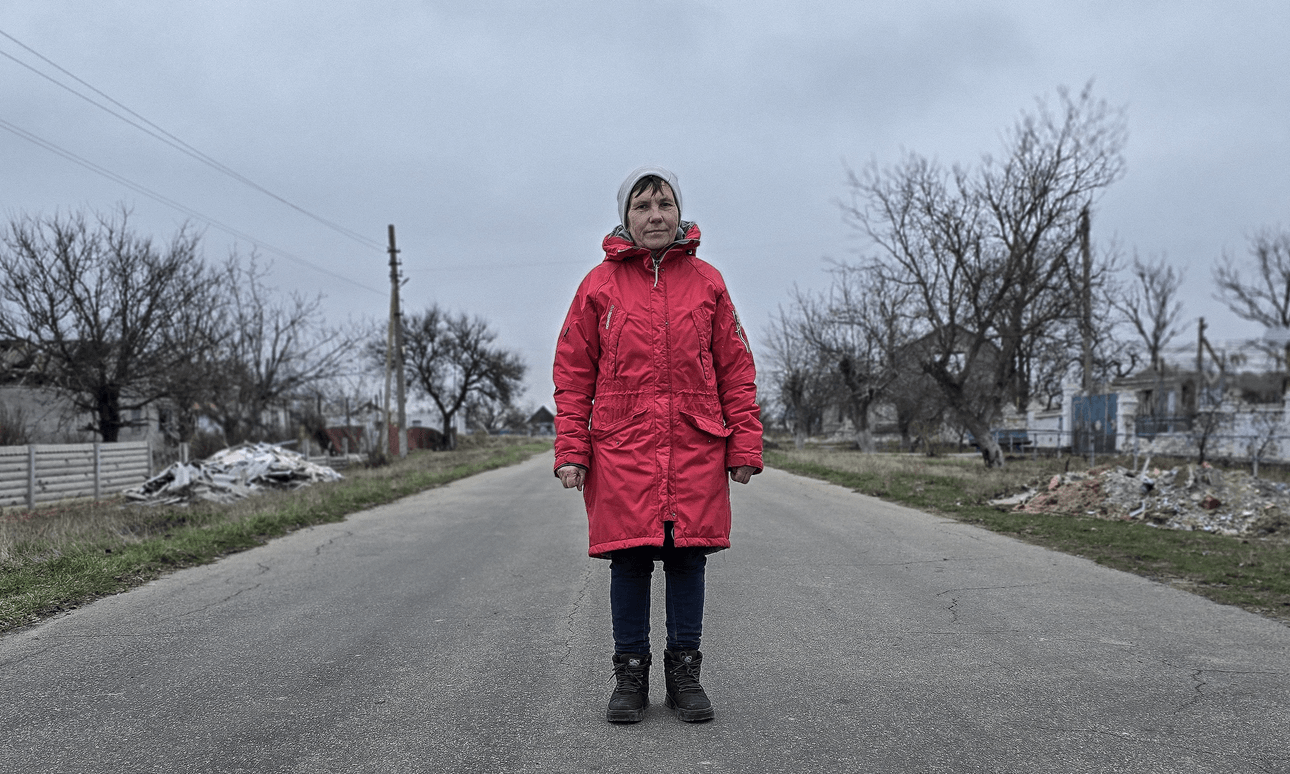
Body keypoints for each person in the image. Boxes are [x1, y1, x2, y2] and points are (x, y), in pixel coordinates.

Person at [553, 166, 762, 724]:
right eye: (642, 206)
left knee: (687, 557)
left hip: (695, 442)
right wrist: (571, 450)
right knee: (629, 558)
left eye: (664, 204)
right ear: (626, 217)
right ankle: (630, 675)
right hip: (622, 445)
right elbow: (573, 375)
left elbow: (736, 369)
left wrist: (744, 444)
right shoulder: (598, 286)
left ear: (679, 213)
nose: (655, 216)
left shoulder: (708, 282)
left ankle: (685, 675)